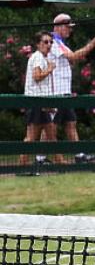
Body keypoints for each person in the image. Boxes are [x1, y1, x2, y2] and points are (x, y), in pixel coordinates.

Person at [48, 13, 95, 162]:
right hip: (56, 93)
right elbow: (73, 57)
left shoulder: (60, 42)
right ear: (58, 27)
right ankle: (41, 156)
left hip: (64, 91)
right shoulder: (53, 42)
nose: (70, 30)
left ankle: (79, 155)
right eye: (67, 27)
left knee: (70, 123)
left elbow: (70, 60)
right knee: (50, 126)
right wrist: (92, 44)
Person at [21, 31, 57, 169]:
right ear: (38, 44)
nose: (49, 45)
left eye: (50, 42)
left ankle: (59, 161)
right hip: (35, 102)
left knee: (51, 135)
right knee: (31, 137)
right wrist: (49, 69)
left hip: (42, 102)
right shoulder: (37, 57)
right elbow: (36, 77)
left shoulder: (42, 57)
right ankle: (22, 163)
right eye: (45, 42)